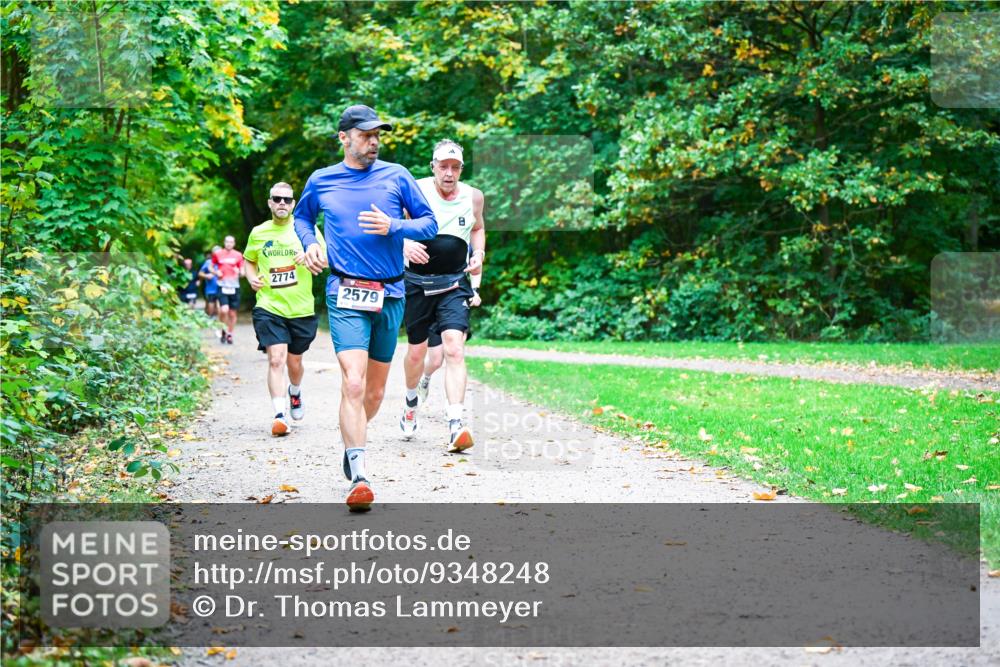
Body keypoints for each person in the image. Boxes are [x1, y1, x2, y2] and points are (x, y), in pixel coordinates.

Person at [294, 104, 437, 511]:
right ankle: (359, 472)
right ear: (344, 137)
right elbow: (303, 219)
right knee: (353, 383)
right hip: (345, 291)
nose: (373, 141)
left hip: (390, 293)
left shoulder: (397, 176)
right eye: (365, 134)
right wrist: (311, 244)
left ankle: (351, 439)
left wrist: (396, 227)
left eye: (377, 135)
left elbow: (428, 223)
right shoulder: (322, 180)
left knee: (374, 392)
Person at [400, 140, 485, 451]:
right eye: (443, 166)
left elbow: (477, 229)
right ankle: (411, 402)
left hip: (453, 283)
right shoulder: (414, 189)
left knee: (454, 350)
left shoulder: (473, 197)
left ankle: (455, 425)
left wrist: (479, 253)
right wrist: (403, 244)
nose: (449, 173)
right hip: (417, 283)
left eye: (455, 167)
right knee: (417, 353)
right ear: (432, 166)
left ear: (461, 169)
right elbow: (392, 224)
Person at [244, 182, 319, 437]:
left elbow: (327, 259)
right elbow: (249, 261)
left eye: (287, 200)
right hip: (269, 305)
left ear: (294, 204)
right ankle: (279, 415)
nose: (282, 204)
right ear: (270, 203)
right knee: (276, 359)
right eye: (277, 199)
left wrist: (309, 255)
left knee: (294, 362)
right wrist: (251, 278)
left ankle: (295, 391)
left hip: (300, 308)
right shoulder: (259, 232)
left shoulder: (305, 230)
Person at [416, 262, 482, 405]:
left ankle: (452, 403)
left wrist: (475, 291)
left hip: (457, 297)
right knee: (436, 360)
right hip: (432, 297)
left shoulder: (464, 242)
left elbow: (476, 265)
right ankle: (425, 378)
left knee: (455, 352)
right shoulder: (429, 240)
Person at [213, 236, 244, 344]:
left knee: (232, 313)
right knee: (224, 310)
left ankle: (229, 334)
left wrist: (239, 272)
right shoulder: (218, 254)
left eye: (231, 242)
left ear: (234, 243)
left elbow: (243, 272)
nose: (229, 244)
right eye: (227, 242)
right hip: (222, 285)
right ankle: (223, 329)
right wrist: (216, 272)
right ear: (224, 242)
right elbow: (211, 267)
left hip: (234, 286)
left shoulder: (238, 255)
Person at [199, 248, 221, 318]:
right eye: (216, 252)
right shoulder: (208, 262)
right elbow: (200, 273)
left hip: (222, 287)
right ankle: (211, 318)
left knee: (220, 304)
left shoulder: (223, 261)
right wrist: (206, 275)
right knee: (211, 303)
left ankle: (220, 320)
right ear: (213, 254)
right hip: (211, 288)